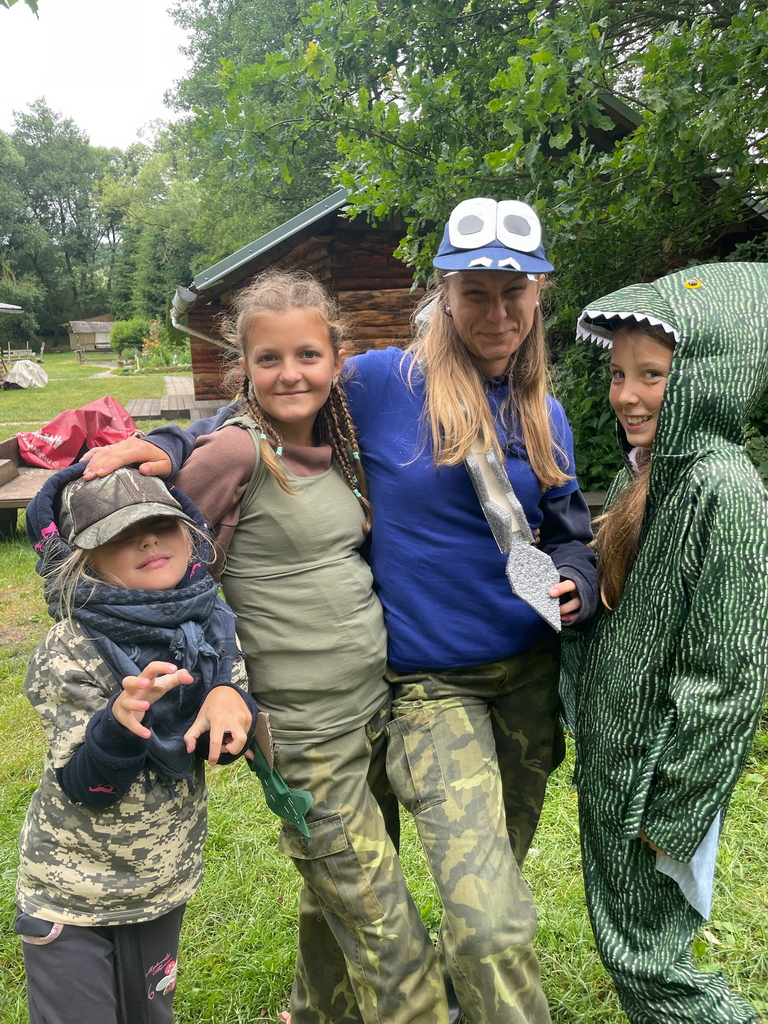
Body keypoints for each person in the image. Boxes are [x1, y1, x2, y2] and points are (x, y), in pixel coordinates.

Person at [84, 199, 598, 1024]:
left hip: (528, 680)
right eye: (475, 291)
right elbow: (269, 400)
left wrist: (573, 571)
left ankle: (318, 1006)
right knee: (484, 921)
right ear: (443, 292)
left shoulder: (546, 412)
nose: (497, 313)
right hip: (432, 684)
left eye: (516, 292)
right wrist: (178, 444)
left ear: (540, 295)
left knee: (484, 881)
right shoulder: (383, 382)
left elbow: (568, 529)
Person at [92, 269, 450, 1024]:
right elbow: (161, 568)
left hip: (372, 714)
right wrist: (217, 679)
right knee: (390, 938)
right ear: (244, 369)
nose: (291, 374)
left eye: (308, 356)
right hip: (303, 732)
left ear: (336, 361)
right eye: (269, 359)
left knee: (341, 894)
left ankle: (314, 1013)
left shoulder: (338, 439)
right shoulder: (236, 453)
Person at [567, 262, 768, 1023]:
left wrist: (675, 810)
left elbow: (728, 677)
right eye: (618, 374)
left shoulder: (726, 491)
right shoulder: (652, 475)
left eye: (651, 375)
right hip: (616, 764)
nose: (626, 395)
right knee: (627, 945)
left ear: (709, 375)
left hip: (654, 783)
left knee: (650, 961)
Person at [16, 464, 259, 1024]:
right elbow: (87, 785)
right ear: (83, 559)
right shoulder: (70, 646)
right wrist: (119, 724)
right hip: (73, 896)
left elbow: (221, 741)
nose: (149, 541)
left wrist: (230, 697)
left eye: (161, 525)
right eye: (122, 534)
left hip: (160, 885)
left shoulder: (211, 622)